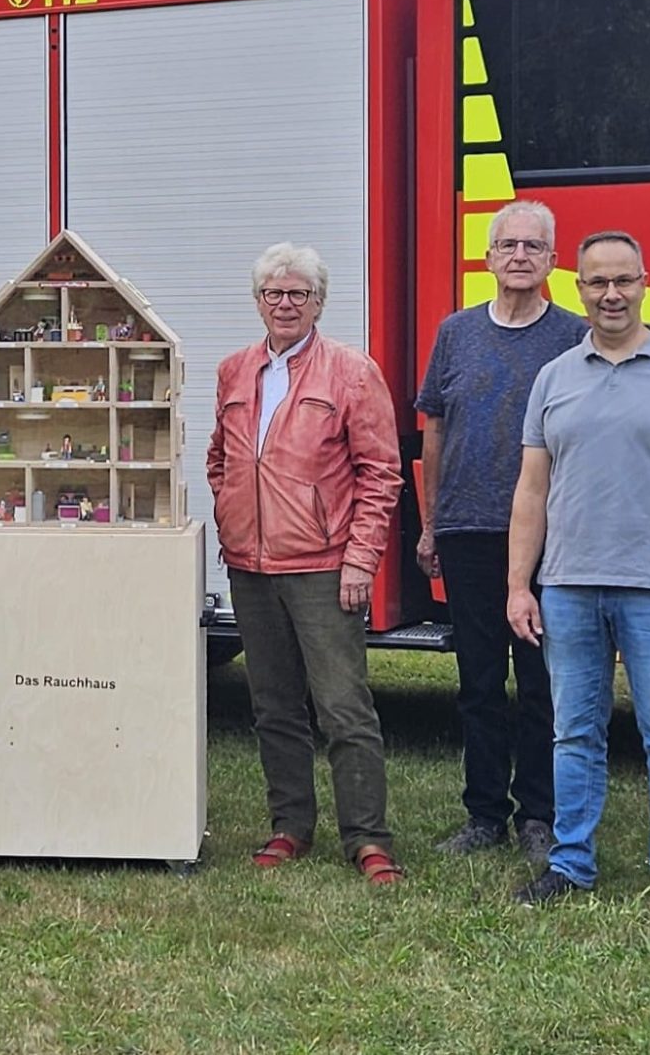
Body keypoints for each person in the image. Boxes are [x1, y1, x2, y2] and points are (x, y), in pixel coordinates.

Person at [507, 230, 650, 925]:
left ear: (645, 283)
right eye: (597, 283)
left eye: (624, 281)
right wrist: (521, 583)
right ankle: (570, 863)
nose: (611, 294)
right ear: (577, 290)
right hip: (570, 585)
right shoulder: (554, 377)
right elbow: (531, 488)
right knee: (572, 731)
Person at [206, 243, 404, 886]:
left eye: (299, 294)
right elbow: (221, 459)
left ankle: (368, 838)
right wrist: (234, 514)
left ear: (319, 302)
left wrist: (360, 559)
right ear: (258, 301)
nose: (285, 304)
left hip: (324, 566)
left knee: (344, 707)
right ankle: (290, 825)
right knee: (273, 706)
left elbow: (381, 474)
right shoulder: (235, 371)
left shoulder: (351, 371)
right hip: (251, 566)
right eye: (273, 293)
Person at [415, 201, 587, 866]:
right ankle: (484, 813)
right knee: (479, 683)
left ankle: (539, 815)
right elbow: (435, 430)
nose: (519, 255)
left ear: (551, 260)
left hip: (549, 538)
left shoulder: (572, 337)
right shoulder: (455, 334)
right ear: (486, 257)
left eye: (533, 246)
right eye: (507, 244)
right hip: (465, 531)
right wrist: (430, 525)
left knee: (543, 682)